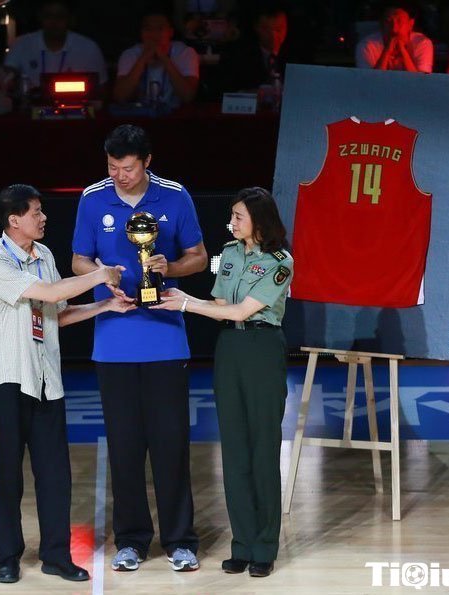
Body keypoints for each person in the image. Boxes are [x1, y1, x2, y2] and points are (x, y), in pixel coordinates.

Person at [0, 184, 134, 584]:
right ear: (14, 220)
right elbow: (46, 292)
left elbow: (57, 313)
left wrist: (106, 304)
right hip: (9, 376)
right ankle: (7, 557)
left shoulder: (44, 255)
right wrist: (99, 274)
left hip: (47, 379)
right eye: (36, 212)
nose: (43, 217)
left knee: (55, 473)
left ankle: (56, 555)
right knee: (8, 472)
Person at [71, 125, 208, 572]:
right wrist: (101, 276)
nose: (119, 176)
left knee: (171, 446)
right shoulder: (93, 198)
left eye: (127, 168)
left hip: (166, 339)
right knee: (124, 448)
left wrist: (172, 267)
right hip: (113, 341)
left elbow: (199, 256)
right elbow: (78, 259)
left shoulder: (175, 196)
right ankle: (131, 540)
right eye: (112, 167)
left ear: (147, 161)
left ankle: (180, 540)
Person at [151, 186, 293, 579]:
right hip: (229, 348)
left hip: (262, 347)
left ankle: (265, 546)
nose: (232, 223)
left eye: (238, 217)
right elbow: (220, 307)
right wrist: (184, 298)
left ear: (259, 221)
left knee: (262, 449)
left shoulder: (280, 262)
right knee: (233, 449)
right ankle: (242, 544)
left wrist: (186, 304)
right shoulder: (229, 254)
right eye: (232, 215)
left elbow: (244, 310)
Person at [4, 0, 108, 92]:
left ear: (70, 19)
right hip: (30, 105)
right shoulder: (22, 44)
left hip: (74, 103)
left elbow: (101, 88)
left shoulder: (89, 48)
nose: (54, 22)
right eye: (48, 16)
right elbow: (8, 75)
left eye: (60, 17)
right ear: (40, 17)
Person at [113, 8, 200, 108]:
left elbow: (187, 96)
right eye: (148, 29)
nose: (154, 34)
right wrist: (142, 59)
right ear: (141, 33)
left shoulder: (185, 53)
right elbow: (120, 97)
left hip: (175, 113)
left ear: (170, 32)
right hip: (140, 113)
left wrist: (164, 58)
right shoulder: (130, 54)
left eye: (160, 29)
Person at [219, 5, 289, 91]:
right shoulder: (239, 56)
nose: (273, 36)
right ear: (256, 27)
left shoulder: (294, 57)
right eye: (266, 29)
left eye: (279, 30)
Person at [355, 1, 434, 73]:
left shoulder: (422, 43)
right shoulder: (367, 46)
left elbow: (419, 81)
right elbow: (370, 80)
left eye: (399, 22)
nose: (394, 29)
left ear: (410, 24)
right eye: (388, 22)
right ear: (381, 24)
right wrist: (387, 51)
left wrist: (403, 51)